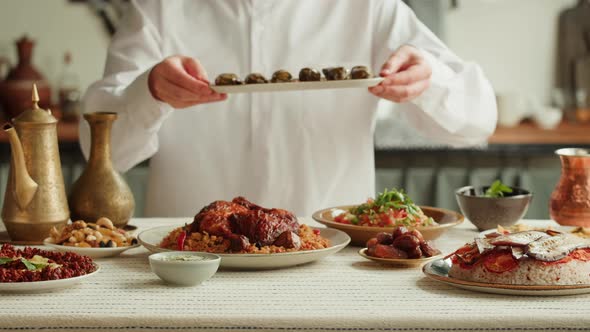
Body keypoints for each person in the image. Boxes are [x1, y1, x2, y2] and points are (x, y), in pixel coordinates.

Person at [81, 0, 497, 217]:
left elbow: (477, 122)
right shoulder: (157, 9)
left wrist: (429, 79)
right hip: (191, 258)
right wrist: (148, 91)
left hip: (333, 256)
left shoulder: (370, 8)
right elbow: (102, 152)